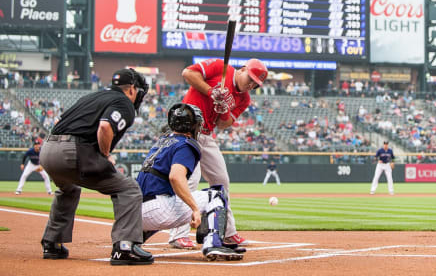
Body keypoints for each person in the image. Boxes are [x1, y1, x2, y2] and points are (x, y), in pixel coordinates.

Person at [39, 68, 153, 265]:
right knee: (129, 189)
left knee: (69, 189)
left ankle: (52, 243)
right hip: (72, 151)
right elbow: (105, 126)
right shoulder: (124, 102)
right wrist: (104, 155)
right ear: (132, 89)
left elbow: (62, 121)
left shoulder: (93, 96)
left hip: (48, 150)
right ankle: (124, 246)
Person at [168, 58, 268, 249]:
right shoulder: (222, 68)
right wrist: (211, 91)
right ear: (243, 69)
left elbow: (224, 124)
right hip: (188, 131)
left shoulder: (244, 99)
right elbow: (187, 73)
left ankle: (228, 233)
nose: (251, 84)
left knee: (222, 182)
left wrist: (224, 109)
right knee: (191, 180)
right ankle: (177, 235)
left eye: (256, 83)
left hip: (206, 135)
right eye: (251, 78)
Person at [137, 103, 244, 261]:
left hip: (135, 214)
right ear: (192, 126)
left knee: (167, 198)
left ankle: (134, 240)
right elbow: (175, 177)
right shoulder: (186, 144)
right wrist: (194, 208)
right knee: (216, 194)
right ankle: (213, 244)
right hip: (156, 211)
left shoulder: (162, 141)